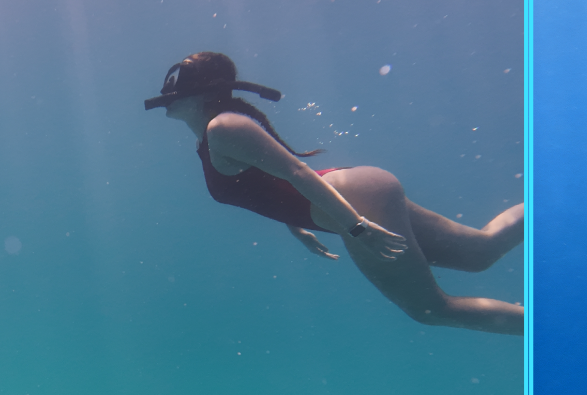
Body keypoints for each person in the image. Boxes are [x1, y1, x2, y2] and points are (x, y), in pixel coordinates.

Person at [147, 52, 523, 334]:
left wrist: (357, 227)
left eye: (176, 85)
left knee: (430, 309)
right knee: (480, 252)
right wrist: (298, 225)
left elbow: (296, 171)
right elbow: (270, 181)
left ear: (201, 91)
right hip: (356, 192)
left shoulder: (223, 128)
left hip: (356, 204)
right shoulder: (216, 132)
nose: (167, 94)